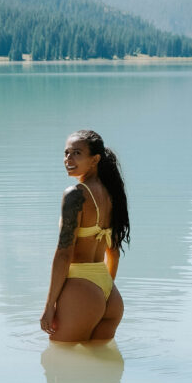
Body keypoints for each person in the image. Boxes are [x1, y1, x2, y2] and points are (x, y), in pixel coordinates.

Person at [40, 130, 130, 342]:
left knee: (60, 364)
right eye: (66, 153)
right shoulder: (112, 194)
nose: (68, 159)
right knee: (102, 368)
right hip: (110, 294)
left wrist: (49, 306)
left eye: (77, 153)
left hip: (82, 290)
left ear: (95, 159)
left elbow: (64, 253)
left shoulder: (76, 194)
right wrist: (103, 291)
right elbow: (114, 253)